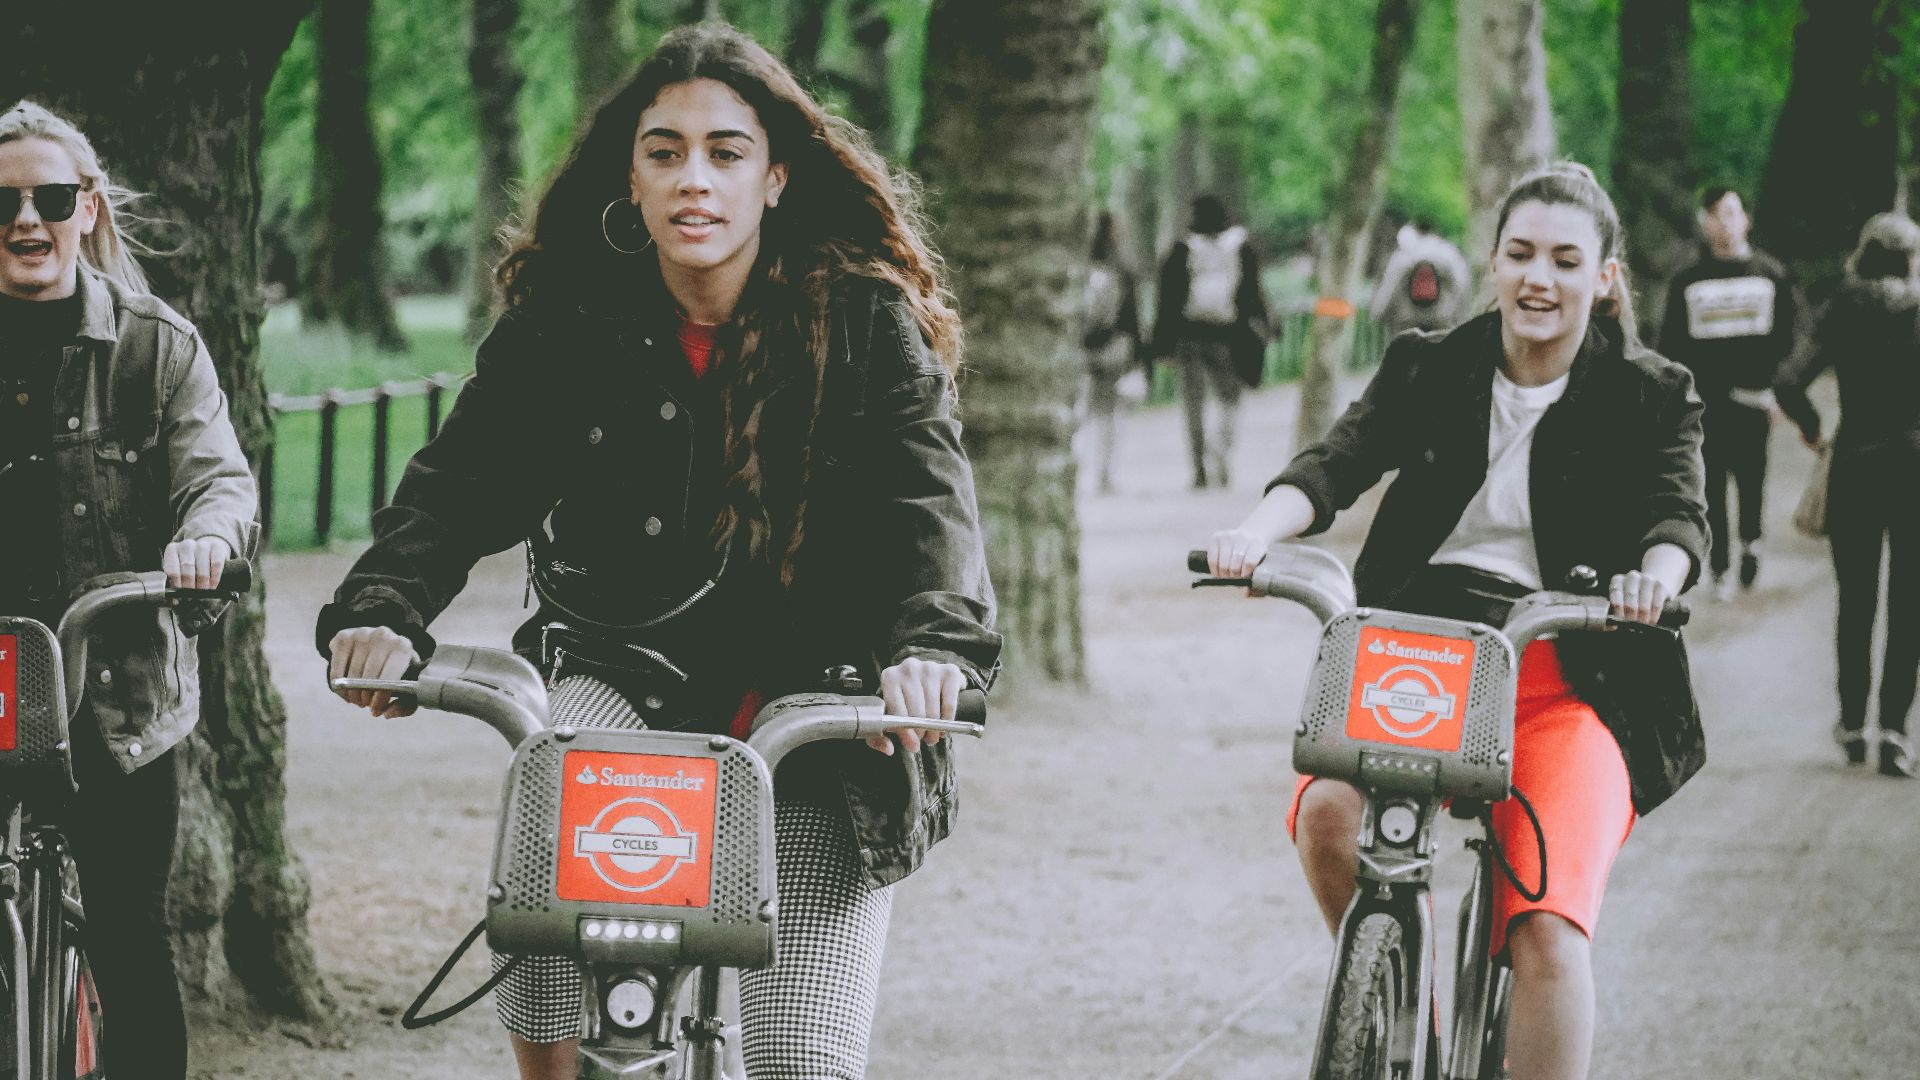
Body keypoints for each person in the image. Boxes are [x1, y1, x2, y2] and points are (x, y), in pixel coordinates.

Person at [316, 24, 1000, 1080]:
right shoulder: (569, 323)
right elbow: (461, 482)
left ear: (775, 180)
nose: (695, 179)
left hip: (828, 712)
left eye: (726, 153)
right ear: (628, 178)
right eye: (664, 151)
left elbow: (933, 507)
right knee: (547, 814)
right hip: (629, 680)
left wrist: (936, 653)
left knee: (805, 1066)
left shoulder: (867, 323)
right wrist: (383, 604)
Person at [1209, 163, 1707, 1080]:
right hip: (1421, 658)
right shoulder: (1428, 364)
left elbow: (1677, 515)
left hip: (1571, 675)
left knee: (1549, 927)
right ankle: (1394, 1007)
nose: (1538, 279)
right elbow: (1334, 464)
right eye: (1520, 254)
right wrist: (1251, 533)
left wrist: (1653, 580)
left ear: (1604, 276)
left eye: (1565, 259)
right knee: (1328, 817)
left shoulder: (1653, 390)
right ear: (1493, 261)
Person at [0, 101, 257, 1080]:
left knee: (128, 937)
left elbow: (220, 479)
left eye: (51, 198)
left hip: (117, 694)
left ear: (88, 208)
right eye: (5, 202)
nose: (27, 221)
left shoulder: (157, 347)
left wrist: (203, 539)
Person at [1776, 212, 1920, 777]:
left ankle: (1852, 724)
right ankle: (1894, 731)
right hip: (1914, 467)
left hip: (1856, 465)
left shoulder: (1841, 304)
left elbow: (1789, 380)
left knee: (1855, 599)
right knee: (1909, 603)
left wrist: (1814, 431)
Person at [1659, 186, 1802, 598]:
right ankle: (1719, 564)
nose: (1724, 221)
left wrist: (1777, 391)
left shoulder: (1769, 275)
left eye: (1731, 212)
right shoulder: (1688, 281)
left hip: (1754, 398)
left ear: (1746, 219)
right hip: (1705, 404)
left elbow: (1788, 339)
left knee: (1752, 476)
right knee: (1711, 484)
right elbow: (1672, 345)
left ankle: (1751, 545)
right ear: (1706, 223)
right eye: (1716, 214)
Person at [1152, 194, 1271, 489]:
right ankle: (1222, 451)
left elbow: (1166, 301)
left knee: (1193, 405)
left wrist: (1161, 345)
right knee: (1230, 399)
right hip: (1229, 335)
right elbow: (1255, 294)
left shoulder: (1181, 250)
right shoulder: (1242, 249)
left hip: (1189, 336)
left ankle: (1198, 468)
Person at [1080, 209, 1143, 494]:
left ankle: (1083, 469)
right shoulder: (1123, 269)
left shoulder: (1080, 268)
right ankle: (1105, 473)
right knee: (1110, 414)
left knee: (1084, 411)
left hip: (1083, 349)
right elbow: (1132, 318)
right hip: (1115, 348)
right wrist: (1139, 355)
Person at [1369, 215, 1471, 336]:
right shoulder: (1449, 252)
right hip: (1441, 318)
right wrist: (1461, 320)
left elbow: (1388, 287)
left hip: (1407, 320)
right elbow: (1462, 285)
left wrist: (1377, 314)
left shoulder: (1403, 254)